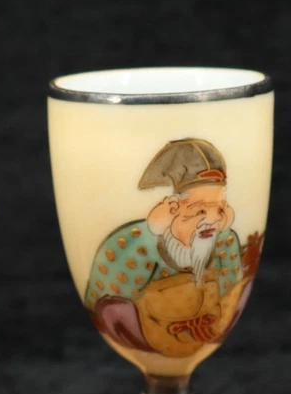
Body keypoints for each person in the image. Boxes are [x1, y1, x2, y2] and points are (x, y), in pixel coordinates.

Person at [85, 138, 261, 358]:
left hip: (206, 329)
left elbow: (228, 294)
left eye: (219, 209)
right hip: (145, 333)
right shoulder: (130, 244)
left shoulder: (224, 242)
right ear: (172, 209)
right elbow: (109, 303)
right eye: (200, 211)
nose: (212, 221)